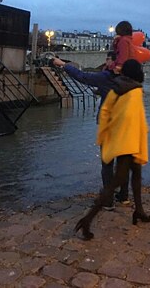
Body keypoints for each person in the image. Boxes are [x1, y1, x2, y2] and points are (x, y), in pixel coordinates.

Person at [74, 59, 150, 240]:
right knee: (115, 184)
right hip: (129, 142)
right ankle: (86, 220)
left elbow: (106, 111)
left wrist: (104, 135)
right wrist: (139, 139)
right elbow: (134, 119)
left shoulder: (116, 86)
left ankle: (139, 210)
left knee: (137, 177)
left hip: (121, 140)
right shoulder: (134, 90)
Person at [52, 52, 130, 208]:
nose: (105, 61)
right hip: (124, 125)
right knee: (122, 162)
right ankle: (123, 196)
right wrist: (101, 91)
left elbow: (83, 77)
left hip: (108, 126)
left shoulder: (105, 77)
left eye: (108, 59)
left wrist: (63, 64)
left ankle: (108, 201)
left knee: (107, 164)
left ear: (113, 62)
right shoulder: (127, 79)